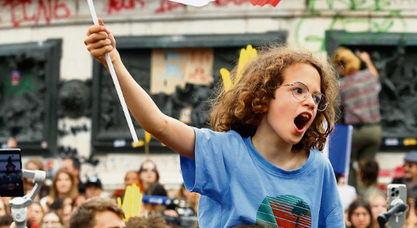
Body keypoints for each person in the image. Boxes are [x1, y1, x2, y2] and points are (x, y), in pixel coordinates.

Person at [84, 26, 342, 228]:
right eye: (298, 90)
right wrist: (114, 63)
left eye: (317, 97)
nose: (310, 102)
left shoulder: (319, 169)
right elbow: (157, 123)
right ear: (264, 95)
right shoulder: (223, 152)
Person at [333, 47, 381, 187]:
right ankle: (369, 193)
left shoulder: (342, 85)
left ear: (342, 65)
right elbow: (375, 74)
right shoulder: (369, 76)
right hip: (375, 131)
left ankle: (354, 192)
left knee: (347, 162)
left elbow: (337, 109)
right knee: (367, 166)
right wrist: (367, 60)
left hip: (356, 132)